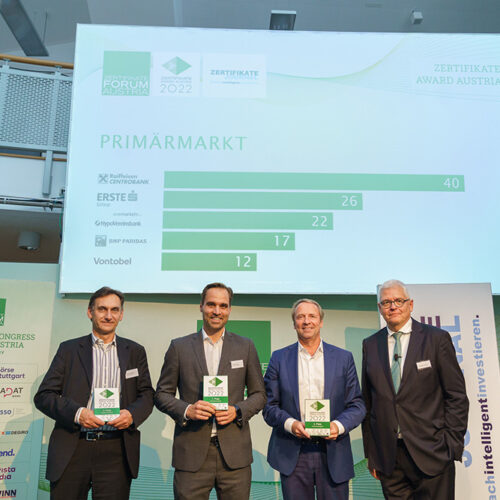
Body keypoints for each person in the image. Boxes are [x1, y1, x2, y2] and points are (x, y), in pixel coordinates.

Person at [34, 286, 154, 500]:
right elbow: (44, 396)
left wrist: (131, 415)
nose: (108, 315)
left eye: (114, 310)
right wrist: (78, 414)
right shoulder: (69, 350)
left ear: (121, 314)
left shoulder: (135, 351)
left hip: (116, 450)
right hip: (73, 446)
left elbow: (146, 394)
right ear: (90, 312)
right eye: (102, 309)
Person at [154, 282, 266, 500]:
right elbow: (161, 395)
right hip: (191, 455)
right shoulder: (179, 347)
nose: (217, 311)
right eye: (211, 304)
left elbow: (259, 395)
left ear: (229, 309)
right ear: (201, 306)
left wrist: (237, 411)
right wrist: (188, 410)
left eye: (223, 306)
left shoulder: (246, 346)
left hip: (235, 457)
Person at [362, 279, 469, 499]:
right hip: (389, 458)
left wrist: (450, 444)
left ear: (410, 305)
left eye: (398, 301)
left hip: (432, 453)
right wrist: (372, 454)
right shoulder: (370, 344)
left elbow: (456, 396)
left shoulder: (436, 339)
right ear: (380, 308)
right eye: (386, 302)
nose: (393, 307)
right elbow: (368, 402)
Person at [263, 298, 366, 500]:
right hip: (293, 453)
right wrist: (291, 424)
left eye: (312, 316)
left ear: (321, 321)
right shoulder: (279, 358)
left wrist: (337, 426)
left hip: (333, 453)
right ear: (294, 323)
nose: (306, 321)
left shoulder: (343, 358)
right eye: (300, 317)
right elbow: (269, 406)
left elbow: (357, 404)